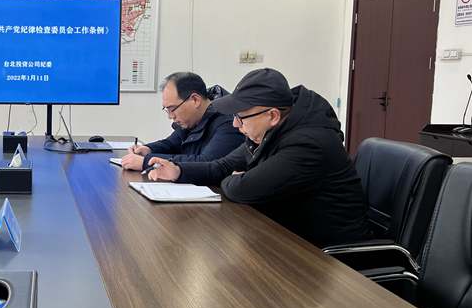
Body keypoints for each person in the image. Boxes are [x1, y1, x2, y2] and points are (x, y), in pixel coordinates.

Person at [147, 68, 368, 248]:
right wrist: (178, 170)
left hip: (328, 256)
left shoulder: (308, 145)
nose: (235, 124)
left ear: (272, 116)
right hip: (286, 236)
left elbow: (241, 189)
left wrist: (236, 178)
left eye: (241, 117)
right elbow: (222, 165)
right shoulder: (266, 133)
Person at [120, 72, 242, 171]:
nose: (170, 116)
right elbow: (171, 144)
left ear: (195, 100)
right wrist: (148, 149)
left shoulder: (229, 122)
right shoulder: (192, 119)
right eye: (167, 110)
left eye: (172, 109)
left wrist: (147, 162)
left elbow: (207, 163)